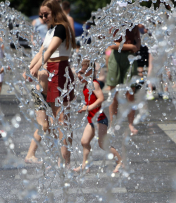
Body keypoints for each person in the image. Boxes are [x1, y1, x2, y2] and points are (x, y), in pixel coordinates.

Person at [29, 0, 76, 167]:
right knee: (57, 120)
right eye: (41, 15)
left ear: (55, 12)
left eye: (46, 14)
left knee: (62, 119)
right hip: (51, 71)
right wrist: (31, 67)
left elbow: (49, 51)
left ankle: (66, 162)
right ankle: (62, 159)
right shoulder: (51, 30)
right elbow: (42, 50)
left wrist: (38, 66)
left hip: (59, 71)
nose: (43, 17)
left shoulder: (61, 28)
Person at [74, 60, 122, 173]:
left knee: (102, 144)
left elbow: (101, 99)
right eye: (81, 71)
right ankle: (85, 165)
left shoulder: (93, 83)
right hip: (92, 119)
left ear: (90, 71)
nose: (81, 74)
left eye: (84, 71)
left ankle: (120, 161)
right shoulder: (87, 83)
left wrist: (88, 108)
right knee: (85, 142)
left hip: (100, 119)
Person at [106, 19, 141, 135]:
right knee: (113, 93)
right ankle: (112, 124)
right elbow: (111, 45)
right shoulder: (113, 20)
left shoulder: (134, 22)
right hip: (116, 57)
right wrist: (131, 46)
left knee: (130, 93)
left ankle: (131, 124)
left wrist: (137, 45)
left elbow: (138, 39)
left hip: (130, 57)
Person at [23, 69, 49, 164]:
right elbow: (30, 69)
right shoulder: (44, 55)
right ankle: (30, 155)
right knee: (43, 126)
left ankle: (57, 157)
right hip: (40, 95)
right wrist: (30, 70)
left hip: (50, 95)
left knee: (51, 126)